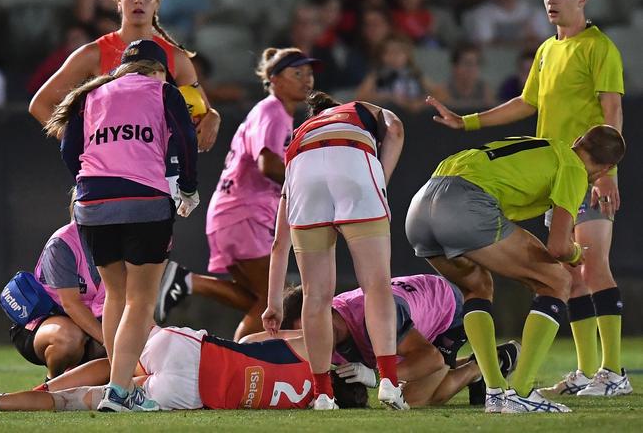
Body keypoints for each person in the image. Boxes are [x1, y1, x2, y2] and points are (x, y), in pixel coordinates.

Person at [428, 0, 630, 397]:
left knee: (594, 266)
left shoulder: (600, 48)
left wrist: (608, 173)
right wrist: (468, 123)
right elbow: (525, 102)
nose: (550, 0)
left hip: (588, 173)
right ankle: (586, 370)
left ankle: (614, 372)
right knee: (569, 270)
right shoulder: (547, 49)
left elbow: (612, 112)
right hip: (554, 179)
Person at [405, 125, 626, 413]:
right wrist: (575, 253)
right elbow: (558, 247)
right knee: (557, 280)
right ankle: (521, 392)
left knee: (477, 287)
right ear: (607, 168)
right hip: (465, 206)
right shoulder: (574, 168)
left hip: (420, 208)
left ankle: (495, 391)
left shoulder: (543, 146)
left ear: (576, 140)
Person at [44, 39, 199, 412]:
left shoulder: (93, 94)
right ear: (160, 70)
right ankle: (119, 392)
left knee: (115, 294)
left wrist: (91, 180)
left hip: (92, 203)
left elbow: (70, 149)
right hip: (144, 200)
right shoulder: (164, 91)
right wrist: (188, 188)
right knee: (141, 299)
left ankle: (121, 383)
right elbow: (186, 139)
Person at [156, 48, 320, 341]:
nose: (306, 79)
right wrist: (310, 184)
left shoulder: (275, 112)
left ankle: (189, 282)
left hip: (234, 215)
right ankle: (235, 359)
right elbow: (267, 164)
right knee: (276, 300)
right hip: (244, 214)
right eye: (297, 73)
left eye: (308, 72)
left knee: (259, 301)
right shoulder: (272, 111)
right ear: (274, 79)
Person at [261, 91, 406, 410]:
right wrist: (378, 180)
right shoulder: (358, 109)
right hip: (354, 164)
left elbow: (278, 242)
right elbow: (394, 129)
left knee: (315, 296)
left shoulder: (300, 138)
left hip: (304, 175)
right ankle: (389, 383)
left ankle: (323, 394)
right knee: (376, 285)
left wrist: (274, 304)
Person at [29, 0, 220, 154]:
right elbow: (40, 104)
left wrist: (213, 117)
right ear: (118, 2)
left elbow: (201, 110)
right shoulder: (93, 53)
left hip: (159, 171)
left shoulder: (176, 58)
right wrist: (80, 142)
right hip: (107, 171)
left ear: (157, 3)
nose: (138, 0)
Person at [271, 275, 520, 407]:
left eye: (315, 329)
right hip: (411, 318)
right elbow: (257, 340)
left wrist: (377, 376)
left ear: (326, 311)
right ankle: (468, 367)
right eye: (308, 334)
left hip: (447, 309)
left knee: (416, 398)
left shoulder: (372, 316)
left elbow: (429, 358)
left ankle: (485, 365)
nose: (316, 338)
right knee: (405, 374)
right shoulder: (321, 330)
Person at [0, 325, 368, 411]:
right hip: (188, 394)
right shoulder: (307, 405)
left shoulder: (311, 354)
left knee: (114, 365)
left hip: (193, 352)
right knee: (75, 403)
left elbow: (253, 341)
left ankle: (42, 387)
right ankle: (0, 404)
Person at [8, 215, 106, 382]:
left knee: (133, 342)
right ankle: (52, 384)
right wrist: (110, 343)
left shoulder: (121, 241)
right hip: (46, 321)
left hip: (94, 323)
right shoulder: (63, 243)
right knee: (68, 339)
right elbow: (71, 304)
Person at [356, 34, 445, 113]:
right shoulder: (376, 75)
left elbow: (442, 94)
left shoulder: (415, 74)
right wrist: (388, 97)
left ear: (407, 55)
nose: (393, 57)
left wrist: (420, 102)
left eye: (398, 52)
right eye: (387, 52)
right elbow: (360, 98)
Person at [440, 43, 495, 112]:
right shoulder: (442, 91)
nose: (473, 69)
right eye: (468, 63)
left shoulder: (485, 91)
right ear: (455, 67)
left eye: (477, 63)